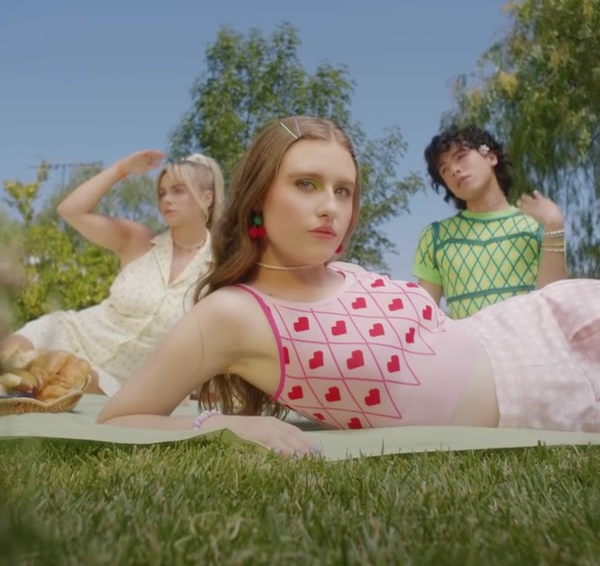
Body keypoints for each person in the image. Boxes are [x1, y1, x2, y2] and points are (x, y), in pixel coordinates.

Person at [98, 117, 600, 457]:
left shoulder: (351, 272)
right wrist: (230, 425)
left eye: (344, 191)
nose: (331, 207)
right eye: (306, 184)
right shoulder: (232, 313)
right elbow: (121, 417)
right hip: (533, 390)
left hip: (528, 330)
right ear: (258, 198)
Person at [0, 149, 224, 395]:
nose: (166, 199)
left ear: (207, 198)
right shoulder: (139, 241)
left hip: (117, 382)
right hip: (70, 334)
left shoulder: (220, 268)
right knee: (7, 362)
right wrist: (122, 169)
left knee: (58, 386)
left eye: (178, 190)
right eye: (162, 192)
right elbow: (70, 210)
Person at [412, 125, 568, 318]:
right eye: (444, 170)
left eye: (461, 156)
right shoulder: (435, 237)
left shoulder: (537, 224)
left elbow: (554, 304)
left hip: (529, 345)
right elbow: (425, 319)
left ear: (491, 157)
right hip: (469, 347)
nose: (454, 170)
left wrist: (553, 227)